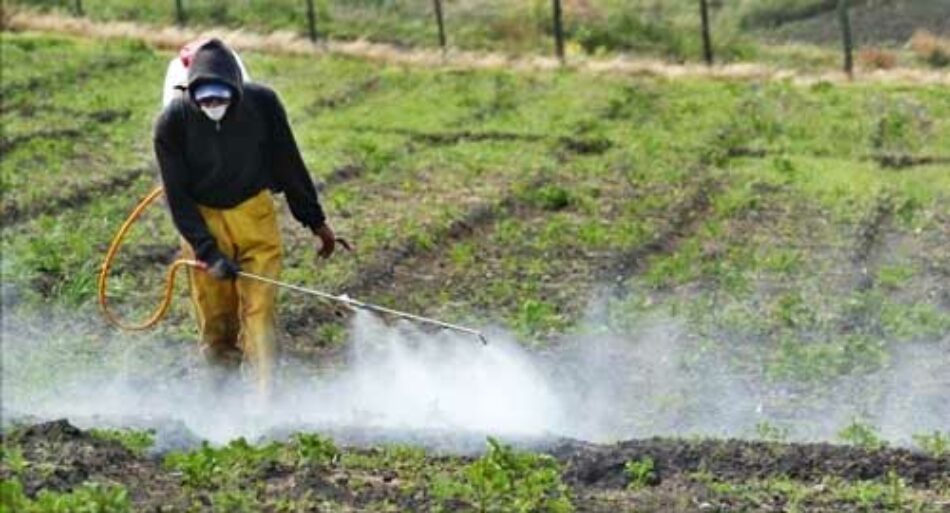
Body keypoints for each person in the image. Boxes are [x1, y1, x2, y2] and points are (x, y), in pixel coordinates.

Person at [153, 38, 340, 397]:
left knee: (260, 308)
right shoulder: (172, 123)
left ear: (236, 92)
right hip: (202, 220)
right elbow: (178, 199)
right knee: (216, 317)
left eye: (220, 99)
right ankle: (221, 395)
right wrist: (208, 254)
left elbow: (289, 163)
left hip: (254, 215)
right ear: (191, 95)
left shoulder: (262, 105)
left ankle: (265, 399)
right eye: (204, 100)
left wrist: (316, 221)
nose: (213, 107)